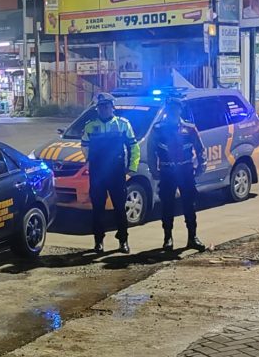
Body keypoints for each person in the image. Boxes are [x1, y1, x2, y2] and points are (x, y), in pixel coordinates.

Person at [81, 93, 140, 254]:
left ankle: (123, 241)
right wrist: (90, 160)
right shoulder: (90, 126)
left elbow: (133, 146)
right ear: (97, 109)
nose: (103, 109)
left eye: (106, 106)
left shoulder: (122, 124)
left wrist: (131, 167)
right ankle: (98, 242)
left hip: (116, 173)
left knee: (120, 208)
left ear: (112, 108)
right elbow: (84, 146)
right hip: (98, 173)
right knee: (98, 209)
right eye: (101, 107)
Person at [150, 97, 207, 252]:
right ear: (167, 111)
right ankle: (168, 238)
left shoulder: (190, 128)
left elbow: (200, 148)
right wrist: (154, 170)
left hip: (185, 171)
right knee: (167, 206)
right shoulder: (158, 129)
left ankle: (192, 237)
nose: (173, 112)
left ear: (180, 110)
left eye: (175, 109)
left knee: (190, 205)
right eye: (170, 109)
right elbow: (151, 151)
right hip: (167, 171)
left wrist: (201, 165)